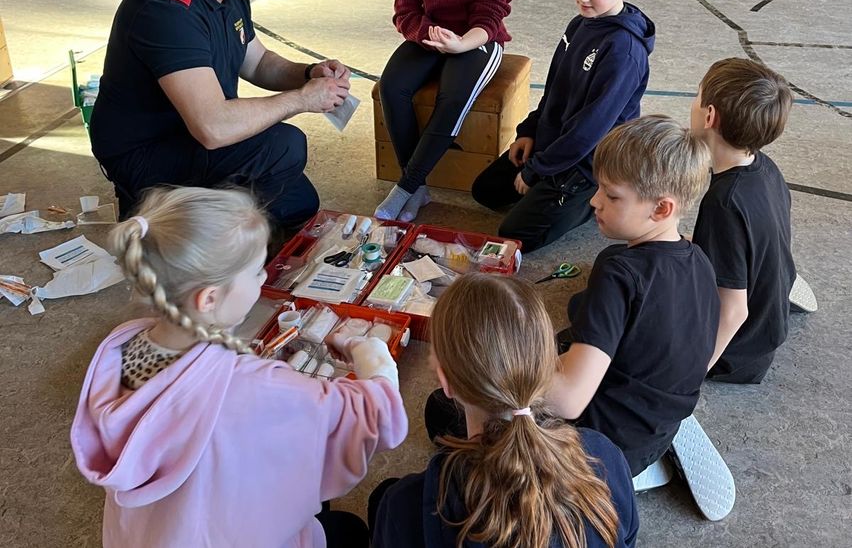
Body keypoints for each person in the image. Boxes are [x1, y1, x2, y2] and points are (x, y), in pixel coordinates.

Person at [70, 186, 407, 548]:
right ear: (210, 298)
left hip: (150, 533)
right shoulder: (253, 384)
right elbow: (377, 418)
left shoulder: (119, 344)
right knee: (348, 530)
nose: (264, 279)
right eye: (257, 271)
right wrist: (371, 355)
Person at [90, 0, 351, 231]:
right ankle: (175, 221)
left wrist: (309, 73)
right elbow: (213, 127)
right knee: (285, 146)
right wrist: (301, 99)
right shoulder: (166, 8)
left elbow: (257, 62)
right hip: (146, 153)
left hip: (191, 135)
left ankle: (214, 214)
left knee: (299, 203)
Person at [372, 273, 638, 548]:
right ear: (546, 364)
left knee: (378, 499)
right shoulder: (605, 458)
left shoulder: (407, 507)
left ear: (445, 382)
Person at [547, 117, 728, 512]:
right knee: (576, 320)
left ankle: (610, 480)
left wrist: (497, 377)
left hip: (596, 453)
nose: (594, 201)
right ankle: (648, 459)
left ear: (661, 208)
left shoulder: (618, 271)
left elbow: (569, 402)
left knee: (447, 410)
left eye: (612, 196)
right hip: (657, 428)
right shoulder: (698, 258)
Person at [471, 0, 654, 253]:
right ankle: (552, 185)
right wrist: (529, 132)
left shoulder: (624, 52)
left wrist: (536, 170)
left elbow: (589, 132)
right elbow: (555, 90)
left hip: (589, 161)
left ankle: (596, 195)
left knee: (516, 234)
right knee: (484, 191)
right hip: (556, 142)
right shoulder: (579, 24)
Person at [375, 0, 516, 222]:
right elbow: (405, 11)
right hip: (433, 36)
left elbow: (490, 17)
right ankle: (418, 188)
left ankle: (405, 186)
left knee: (452, 98)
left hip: (477, 40)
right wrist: (431, 34)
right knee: (391, 87)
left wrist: (461, 43)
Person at [690, 57, 798, 384]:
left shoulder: (724, 202)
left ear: (709, 116)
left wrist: (691, 372)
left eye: (696, 96)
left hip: (737, 354)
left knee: (604, 300)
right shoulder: (765, 166)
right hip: (766, 329)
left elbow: (734, 311)